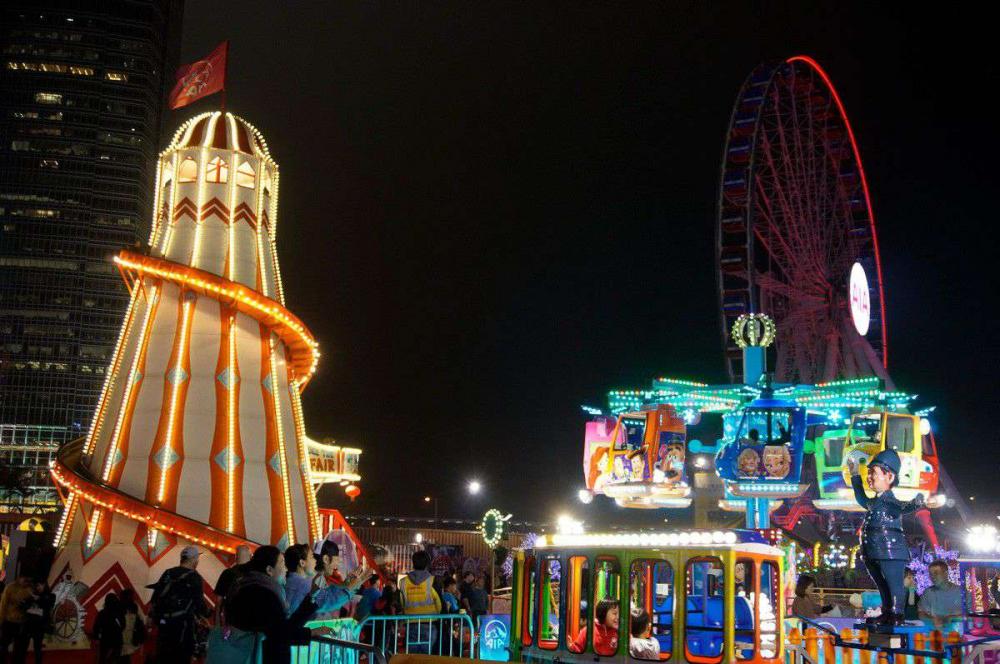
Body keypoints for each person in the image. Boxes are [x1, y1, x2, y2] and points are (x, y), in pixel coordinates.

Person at [848, 449, 929, 626]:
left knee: (893, 584)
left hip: (890, 550)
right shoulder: (874, 502)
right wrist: (855, 475)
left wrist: (916, 502)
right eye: (869, 472)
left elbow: (903, 507)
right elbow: (861, 498)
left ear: (889, 477)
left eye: (874, 473)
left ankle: (897, 614)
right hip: (872, 551)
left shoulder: (889, 501)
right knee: (882, 584)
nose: (870, 477)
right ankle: (887, 611)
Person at [224, 545, 332, 664]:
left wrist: (311, 596)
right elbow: (280, 633)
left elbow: (284, 626)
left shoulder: (246, 586)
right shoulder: (263, 595)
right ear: (269, 570)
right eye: (282, 563)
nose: (286, 569)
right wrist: (311, 632)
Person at [148, 545, 210, 663]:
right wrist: (207, 614)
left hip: (164, 625)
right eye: (197, 558)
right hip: (183, 628)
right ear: (193, 559)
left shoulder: (168, 573)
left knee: (163, 657)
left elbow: (155, 597)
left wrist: (150, 616)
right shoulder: (195, 577)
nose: (197, 561)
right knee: (181, 658)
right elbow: (199, 604)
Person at [283, 544, 357, 616]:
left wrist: (345, 585)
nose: (315, 560)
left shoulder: (290, 581)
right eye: (312, 557)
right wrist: (350, 588)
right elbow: (328, 601)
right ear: (302, 563)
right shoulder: (304, 584)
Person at [400, 550, 442, 653]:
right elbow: (439, 603)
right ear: (427, 564)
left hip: (410, 622)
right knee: (425, 656)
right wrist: (437, 614)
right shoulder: (432, 580)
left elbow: (402, 602)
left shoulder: (403, 582)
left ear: (413, 563)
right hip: (429, 622)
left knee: (412, 656)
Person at [918, 560, 963, 629]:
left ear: (946, 573)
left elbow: (970, 616)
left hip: (958, 631)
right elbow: (921, 613)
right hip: (935, 632)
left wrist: (949, 618)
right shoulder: (928, 592)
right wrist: (932, 619)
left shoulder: (961, 592)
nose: (933, 577)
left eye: (936, 573)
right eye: (931, 574)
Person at [0, 575, 33, 664]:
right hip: (9, 622)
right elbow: (3, 605)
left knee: (19, 650)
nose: (26, 582)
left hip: (23, 624)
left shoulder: (30, 589)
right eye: (25, 579)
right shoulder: (10, 588)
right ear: (19, 578)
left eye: (28, 580)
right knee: (3, 647)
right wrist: (1, 620)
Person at [19, 581, 55, 664]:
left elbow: (47, 607)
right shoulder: (32, 596)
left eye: (40, 585)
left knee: (37, 649)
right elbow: (23, 606)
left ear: (44, 585)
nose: (38, 587)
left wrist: (37, 600)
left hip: (39, 627)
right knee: (23, 649)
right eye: (37, 586)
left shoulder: (51, 596)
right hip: (28, 626)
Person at [214, 544, 252, 620]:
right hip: (250, 618)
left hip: (231, 617)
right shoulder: (255, 574)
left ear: (236, 557)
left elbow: (218, 600)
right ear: (250, 557)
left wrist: (217, 621)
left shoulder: (227, 573)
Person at [92, 593, 124, 664]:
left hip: (105, 640)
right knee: (114, 659)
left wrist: (96, 638)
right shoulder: (119, 613)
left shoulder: (102, 613)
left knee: (102, 659)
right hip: (117, 640)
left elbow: (96, 627)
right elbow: (123, 626)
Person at [118, 588, 145, 663]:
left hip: (120, 636)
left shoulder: (118, 606)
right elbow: (142, 620)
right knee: (126, 657)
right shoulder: (135, 606)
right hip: (131, 636)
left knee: (121, 657)